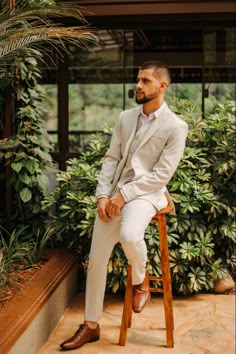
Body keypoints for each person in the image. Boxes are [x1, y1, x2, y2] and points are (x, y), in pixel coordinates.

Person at [60, 61, 188, 350]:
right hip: (114, 192)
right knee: (96, 261)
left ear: (162, 86)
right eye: (138, 79)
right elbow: (111, 159)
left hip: (146, 193)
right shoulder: (126, 117)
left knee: (130, 235)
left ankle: (141, 281)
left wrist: (124, 195)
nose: (138, 85)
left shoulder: (176, 127)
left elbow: (161, 176)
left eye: (145, 81)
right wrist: (103, 196)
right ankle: (91, 325)